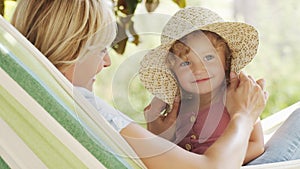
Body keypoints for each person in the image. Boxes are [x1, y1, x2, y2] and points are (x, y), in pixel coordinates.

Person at [10, 1, 291, 168]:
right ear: (72, 49)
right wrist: (244, 114)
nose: (107, 62)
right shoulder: (83, 105)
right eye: (100, 50)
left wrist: (158, 138)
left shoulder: (24, 98)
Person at [139, 7, 264, 164]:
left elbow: (257, 144)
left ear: (226, 61)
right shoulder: (176, 109)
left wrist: (223, 163)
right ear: (173, 71)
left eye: (209, 57)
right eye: (186, 63)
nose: (198, 70)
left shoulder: (236, 97)